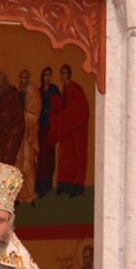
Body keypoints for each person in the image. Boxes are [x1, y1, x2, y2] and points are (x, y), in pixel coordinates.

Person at [48, 65, 89, 197]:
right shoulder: (65, 89)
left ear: (69, 74)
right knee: (65, 158)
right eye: (61, 73)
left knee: (76, 158)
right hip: (67, 131)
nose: (63, 76)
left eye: (65, 73)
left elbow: (78, 109)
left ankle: (75, 189)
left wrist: (63, 118)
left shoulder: (74, 89)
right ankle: (64, 186)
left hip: (76, 132)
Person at [35, 67, 62, 198]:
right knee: (41, 158)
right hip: (41, 128)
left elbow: (58, 108)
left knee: (49, 158)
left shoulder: (54, 90)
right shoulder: (39, 91)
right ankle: (40, 186)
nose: (47, 78)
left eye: (49, 75)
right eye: (45, 75)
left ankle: (47, 186)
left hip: (50, 127)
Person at [16, 69, 41, 205]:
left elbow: (34, 114)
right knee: (18, 164)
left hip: (29, 134)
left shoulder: (33, 93)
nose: (23, 80)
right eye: (21, 78)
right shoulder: (18, 92)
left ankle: (30, 195)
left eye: (25, 78)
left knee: (28, 165)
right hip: (19, 134)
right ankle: (19, 196)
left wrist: (21, 116)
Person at [0, 71, 24, 166]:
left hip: (13, 130)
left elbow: (14, 112)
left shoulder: (12, 93)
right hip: (4, 131)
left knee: (7, 156)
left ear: (6, 81)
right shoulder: (0, 98)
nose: (0, 83)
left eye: (2, 80)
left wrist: (0, 117)